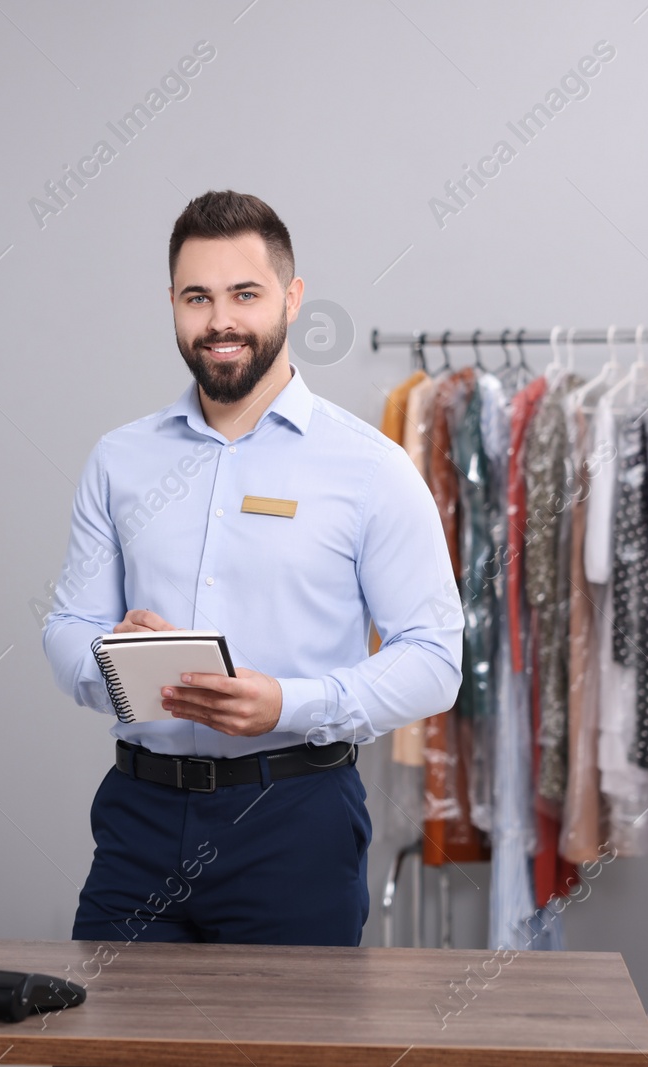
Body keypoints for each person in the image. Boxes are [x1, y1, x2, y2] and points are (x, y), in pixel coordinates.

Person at [42, 189, 462, 947]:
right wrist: (117, 661)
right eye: (197, 297)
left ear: (291, 298)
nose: (220, 321)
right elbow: (67, 627)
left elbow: (435, 660)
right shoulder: (121, 460)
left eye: (245, 294)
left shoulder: (370, 468)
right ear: (172, 302)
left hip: (295, 820)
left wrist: (289, 703)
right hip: (139, 816)